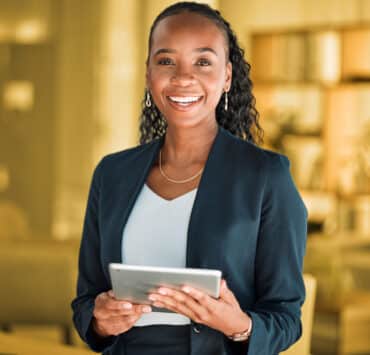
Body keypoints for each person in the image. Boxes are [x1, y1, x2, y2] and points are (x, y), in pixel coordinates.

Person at [71, 2, 307, 355]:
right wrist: (101, 321)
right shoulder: (112, 174)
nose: (183, 77)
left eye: (203, 61)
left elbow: (286, 318)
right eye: (166, 61)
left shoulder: (265, 176)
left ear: (226, 76)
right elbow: (85, 302)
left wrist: (238, 325)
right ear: (148, 73)